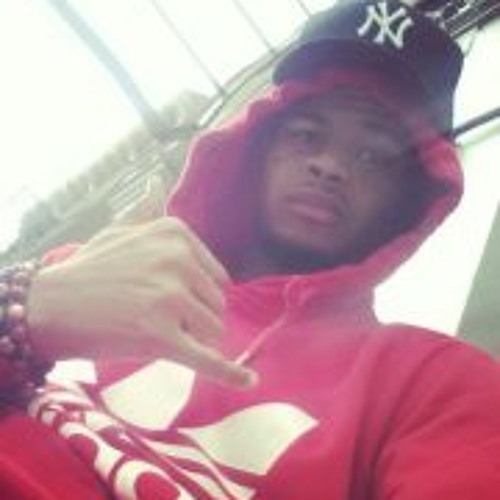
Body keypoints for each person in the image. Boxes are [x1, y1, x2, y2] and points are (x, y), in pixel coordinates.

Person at [1, 0, 500, 498]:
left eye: (373, 155)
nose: (329, 166)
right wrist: (21, 311)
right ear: (257, 143)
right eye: (306, 135)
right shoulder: (87, 270)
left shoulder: (432, 385)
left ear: (409, 197)